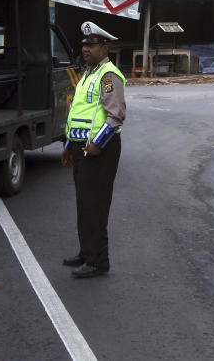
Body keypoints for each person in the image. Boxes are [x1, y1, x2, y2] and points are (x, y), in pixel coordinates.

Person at [61, 21, 127, 279]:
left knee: (95, 205)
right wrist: (68, 145)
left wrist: (98, 144)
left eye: (91, 44)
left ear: (104, 47)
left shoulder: (108, 76)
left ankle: (99, 261)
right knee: (83, 203)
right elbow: (78, 114)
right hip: (81, 148)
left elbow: (116, 115)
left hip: (100, 150)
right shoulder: (88, 73)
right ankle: (86, 252)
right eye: (84, 44)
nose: (85, 48)